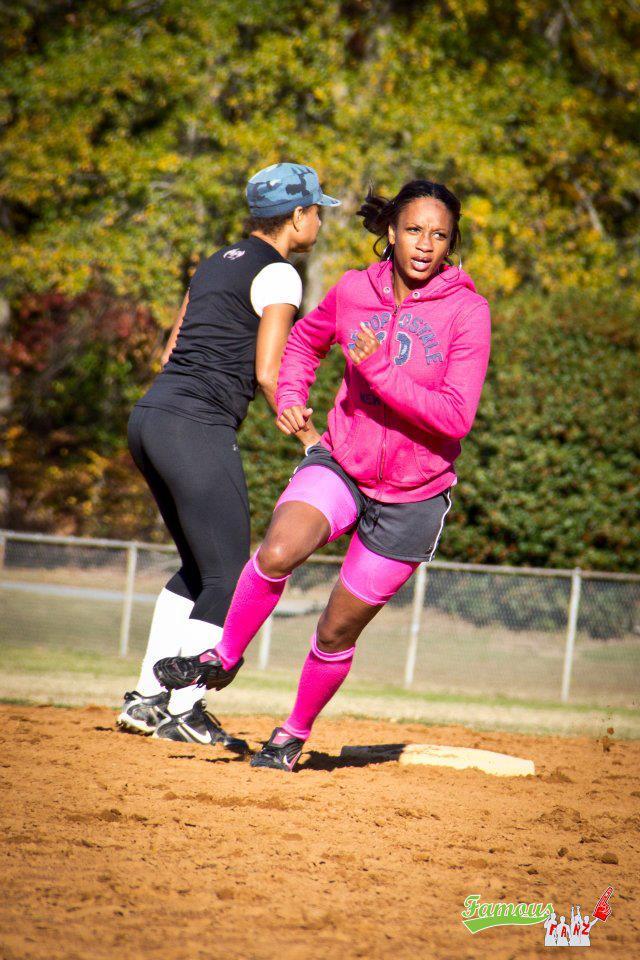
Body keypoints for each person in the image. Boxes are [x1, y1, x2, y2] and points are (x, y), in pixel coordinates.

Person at [153, 178, 491, 770]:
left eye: (439, 235)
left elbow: (455, 418)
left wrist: (381, 370)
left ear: (451, 243)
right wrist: (289, 390)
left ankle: (290, 734)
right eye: (413, 230)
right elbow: (306, 342)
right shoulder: (353, 290)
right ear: (390, 232)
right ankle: (221, 658)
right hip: (343, 461)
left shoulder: (468, 311)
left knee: (336, 630)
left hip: (414, 497)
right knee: (279, 549)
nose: (424, 245)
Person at [117, 162, 340, 747]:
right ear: (297, 216)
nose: (319, 219)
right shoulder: (280, 274)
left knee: (197, 569)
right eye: (317, 210)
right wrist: (308, 439)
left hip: (150, 417)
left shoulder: (216, 262)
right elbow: (270, 372)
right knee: (228, 574)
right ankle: (184, 709)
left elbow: (171, 351)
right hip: (196, 424)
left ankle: (147, 699)